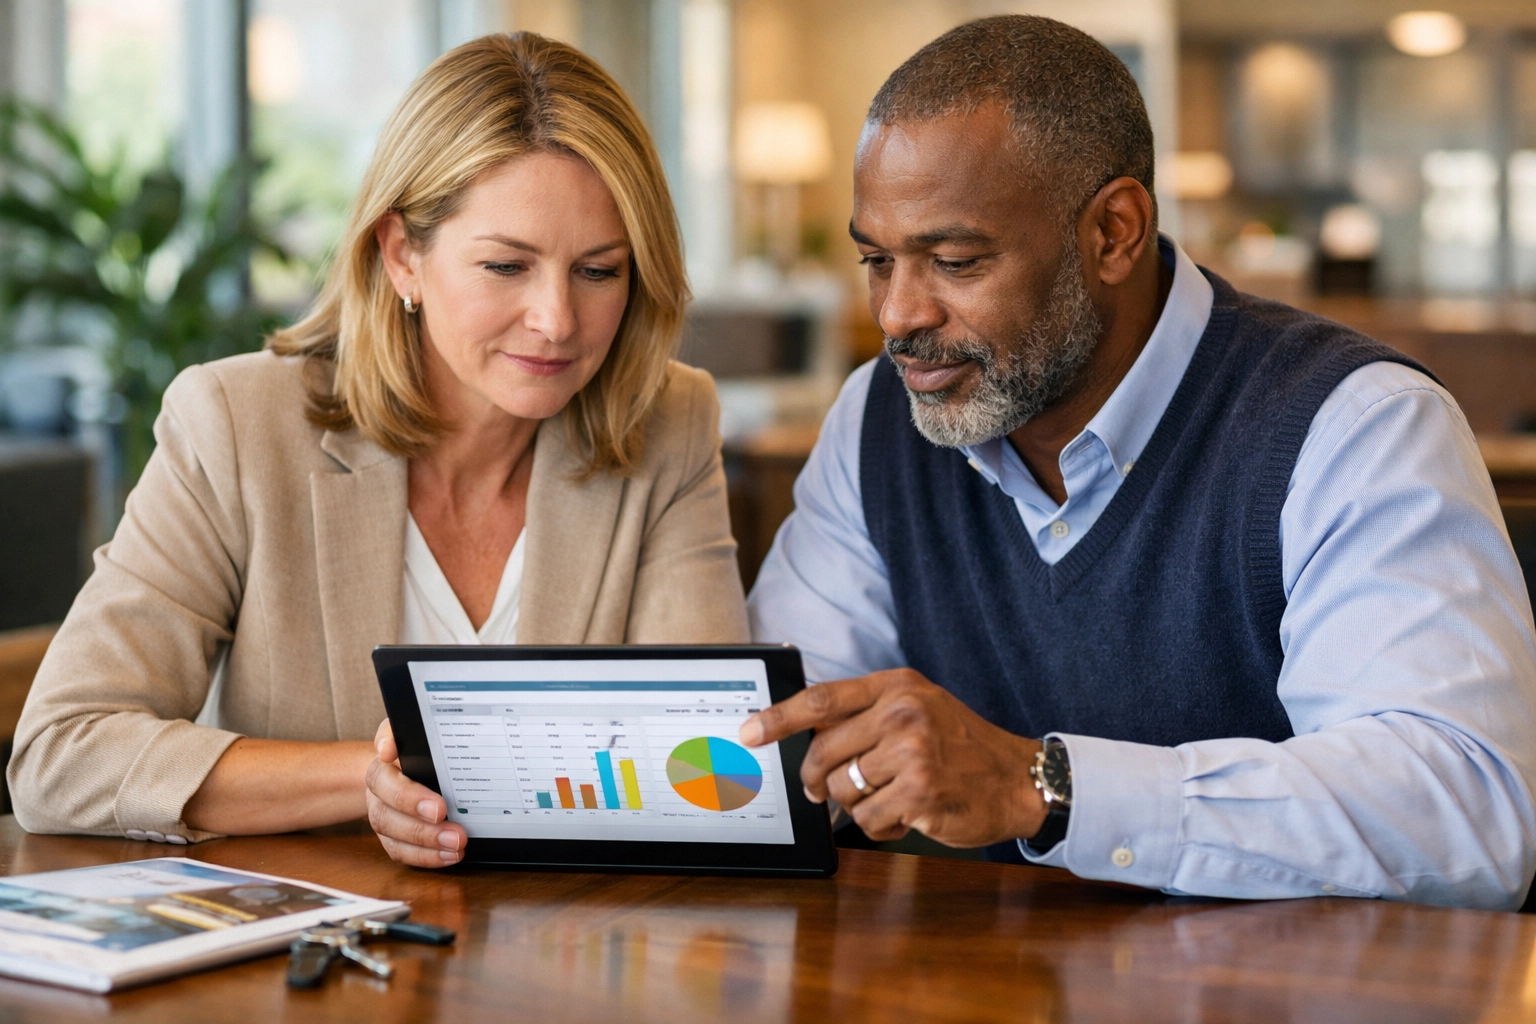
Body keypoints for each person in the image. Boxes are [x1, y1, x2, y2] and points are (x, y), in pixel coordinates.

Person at [744, 15, 1536, 910]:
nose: (896, 314)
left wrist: (1047, 788)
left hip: (1292, 980)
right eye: (876, 260)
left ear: (1114, 232)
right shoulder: (878, 422)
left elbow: (1466, 814)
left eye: (955, 261)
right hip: (996, 973)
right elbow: (784, 740)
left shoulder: (1354, 424)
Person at [9, 33, 748, 868]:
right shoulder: (237, 425)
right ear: (402, 256)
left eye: (599, 271)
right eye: (507, 266)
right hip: (315, 933)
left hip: (569, 931)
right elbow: (62, 755)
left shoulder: (670, 421)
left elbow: (716, 770)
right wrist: (367, 777)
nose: (557, 320)